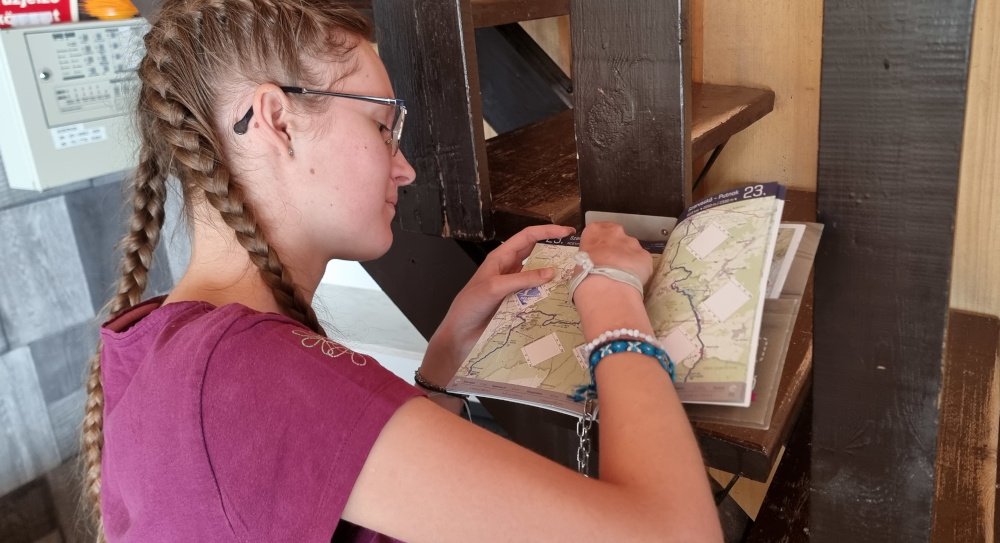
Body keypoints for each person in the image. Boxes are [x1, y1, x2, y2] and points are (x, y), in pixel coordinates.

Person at [80, 0, 723, 541]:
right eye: (382, 126)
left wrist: (444, 360)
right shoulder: (240, 376)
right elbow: (675, 534)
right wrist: (612, 296)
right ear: (278, 121)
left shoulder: (166, 343)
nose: (406, 167)